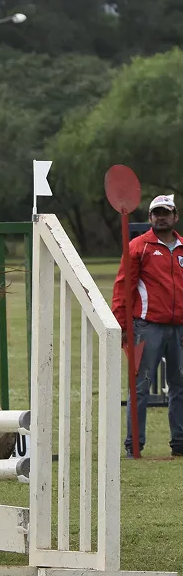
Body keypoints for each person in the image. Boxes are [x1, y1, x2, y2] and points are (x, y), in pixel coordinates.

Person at [112, 194, 183, 458]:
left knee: (180, 384)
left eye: (165, 212)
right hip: (146, 327)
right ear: (150, 218)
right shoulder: (138, 247)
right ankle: (134, 445)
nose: (161, 217)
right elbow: (123, 287)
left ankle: (180, 443)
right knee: (140, 386)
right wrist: (120, 323)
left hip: (179, 329)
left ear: (175, 216)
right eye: (156, 213)